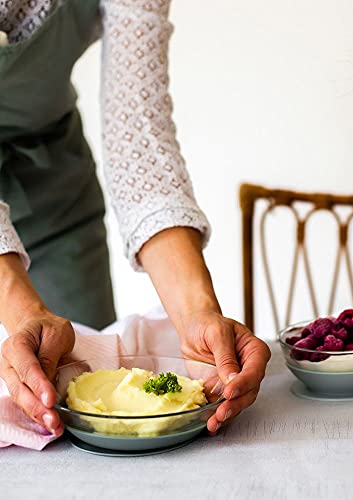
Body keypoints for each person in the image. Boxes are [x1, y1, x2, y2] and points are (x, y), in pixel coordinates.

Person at [0, 0, 270, 437]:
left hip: (52, 177)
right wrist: (20, 307)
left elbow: (139, 138)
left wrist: (196, 312)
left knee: (77, 396)